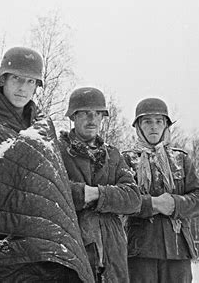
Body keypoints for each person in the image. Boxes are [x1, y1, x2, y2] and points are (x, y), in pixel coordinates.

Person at [0, 47, 93, 283]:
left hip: (31, 241)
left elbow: (50, 183)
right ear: (3, 79)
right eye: (17, 79)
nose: (23, 87)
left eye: (30, 82)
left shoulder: (40, 123)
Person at [58, 87, 142, 282]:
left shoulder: (113, 155)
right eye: (85, 113)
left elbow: (133, 198)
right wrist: (80, 193)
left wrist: (95, 194)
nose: (92, 119)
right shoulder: (58, 151)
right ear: (73, 116)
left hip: (112, 251)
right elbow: (53, 192)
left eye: (97, 114)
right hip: (73, 245)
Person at [122, 98, 199, 283]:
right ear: (138, 126)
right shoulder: (126, 160)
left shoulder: (181, 159)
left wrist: (175, 204)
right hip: (140, 249)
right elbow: (121, 201)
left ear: (166, 125)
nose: (153, 126)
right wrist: (151, 205)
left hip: (177, 248)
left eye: (159, 121)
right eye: (147, 121)